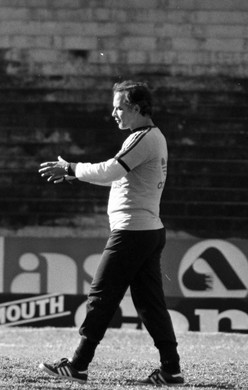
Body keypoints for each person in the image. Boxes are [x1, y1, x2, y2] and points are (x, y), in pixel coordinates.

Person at [37, 81, 183, 386]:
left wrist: (72, 168)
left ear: (136, 107)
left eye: (119, 106)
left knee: (101, 296)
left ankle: (78, 365)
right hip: (145, 231)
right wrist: (74, 174)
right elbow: (118, 177)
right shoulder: (147, 137)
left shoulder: (144, 138)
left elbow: (111, 171)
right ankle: (171, 369)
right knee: (150, 304)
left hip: (132, 233)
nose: (113, 113)